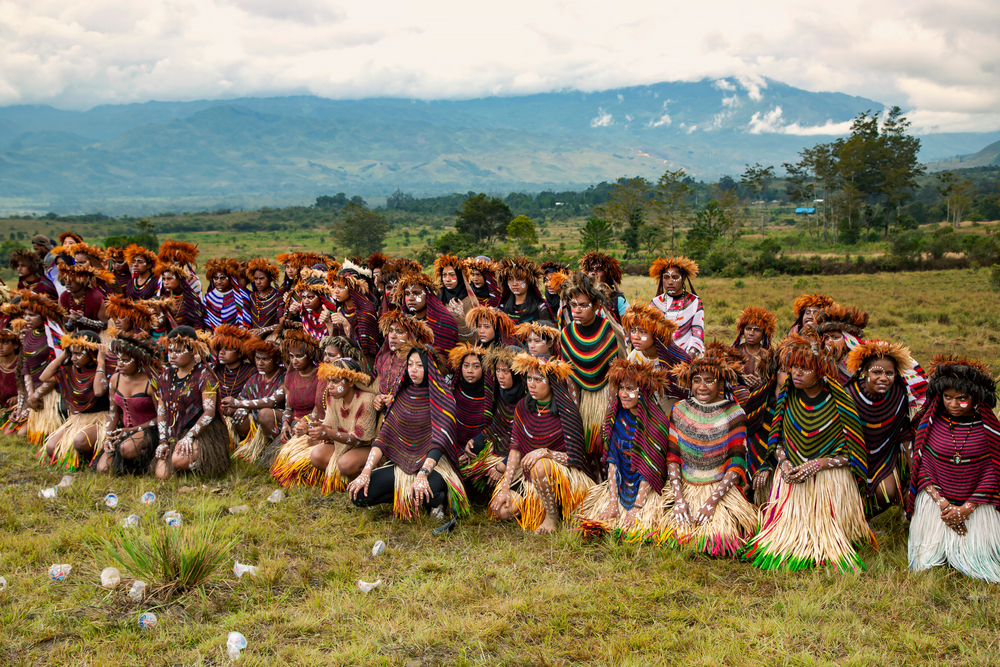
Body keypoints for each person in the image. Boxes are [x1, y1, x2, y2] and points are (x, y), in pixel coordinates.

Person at [743, 332, 874, 572]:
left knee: (825, 541)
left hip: (829, 482)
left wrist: (818, 464)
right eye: (793, 367)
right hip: (792, 477)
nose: (796, 373)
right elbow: (778, 440)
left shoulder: (839, 401)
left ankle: (827, 537)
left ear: (821, 371)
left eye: (805, 369)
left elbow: (852, 454)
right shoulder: (787, 395)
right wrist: (783, 463)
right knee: (779, 542)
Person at [348, 342, 470, 521]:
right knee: (358, 495)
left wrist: (423, 474)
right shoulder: (401, 394)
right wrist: (366, 472)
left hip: (432, 466)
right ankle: (407, 497)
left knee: (431, 488)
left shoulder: (443, 397)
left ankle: (435, 500)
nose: (413, 369)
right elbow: (383, 437)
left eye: (419, 365)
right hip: (402, 462)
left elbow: (440, 442)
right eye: (410, 364)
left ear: (430, 367)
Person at [907, 355, 1000, 582]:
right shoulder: (932, 424)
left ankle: (972, 552)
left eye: (962, 399)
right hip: (937, 500)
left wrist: (966, 509)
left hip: (978, 502)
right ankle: (937, 549)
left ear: (976, 398)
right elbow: (924, 467)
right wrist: (944, 505)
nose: (953, 404)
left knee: (979, 558)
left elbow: (993, 473)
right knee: (926, 559)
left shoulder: (988, 430)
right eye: (947, 398)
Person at [664, 346, 757, 556]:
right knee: (673, 535)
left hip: (718, 487)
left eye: (709, 380)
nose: (702, 386)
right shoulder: (679, 410)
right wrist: (679, 500)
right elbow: (673, 458)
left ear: (721, 383)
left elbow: (736, 464)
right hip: (686, 486)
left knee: (719, 541)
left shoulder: (735, 414)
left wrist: (712, 502)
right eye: (697, 380)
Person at [489, 353, 596, 532]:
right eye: (529, 378)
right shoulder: (523, 406)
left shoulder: (567, 411)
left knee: (541, 465)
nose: (531, 383)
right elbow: (515, 450)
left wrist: (547, 453)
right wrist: (505, 489)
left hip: (561, 476)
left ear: (552, 382)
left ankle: (552, 516)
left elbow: (575, 458)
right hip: (529, 477)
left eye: (538, 379)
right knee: (502, 511)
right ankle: (539, 505)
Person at [575, 359, 671, 541]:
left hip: (646, 490)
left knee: (637, 532)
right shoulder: (616, 416)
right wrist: (613, 501)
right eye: (621, 388)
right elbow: (613, 460)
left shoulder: (656, 424)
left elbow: (649, 470)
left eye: (630, 389)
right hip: (619, 486)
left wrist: (637, 508)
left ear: (643, 391)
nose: (623, 394)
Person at [844, 340, 915, 517]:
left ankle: (868, 517)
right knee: (847, 492)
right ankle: (852, 518)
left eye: (889, 373)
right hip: (850, 456)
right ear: (864, 372)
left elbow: (903, 431)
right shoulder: (849, 394)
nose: (883, 378)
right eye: (876, 372)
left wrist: (914, 469)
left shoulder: (898, 394)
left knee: (888, 493)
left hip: (883, 456)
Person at [558, 272, 624, 459]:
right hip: (582, 400)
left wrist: (608, 416)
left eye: (583, 305)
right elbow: (570, 376)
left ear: (596, 306)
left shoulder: (611, 332)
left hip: (606, 400)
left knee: (605, 448)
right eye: (573, 305)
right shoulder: (566, 335)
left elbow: (615, 377)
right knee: (585, 451)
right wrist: (576, 415)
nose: (577, 310)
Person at [287, 358, 378, 493]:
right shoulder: (333, 399)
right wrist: (308, 429)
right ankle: (343, 478)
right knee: (316, 455)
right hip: (343, 446)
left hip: (365, 448)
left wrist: (329, 434)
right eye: (329, 381)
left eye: (335, 381)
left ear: (351, 382)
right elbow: (328, 427)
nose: (329, 386)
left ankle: (370, 477)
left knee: (345, 464)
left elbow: (358, 439)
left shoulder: (367, 400)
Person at [153, 326, 230, 480]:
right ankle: (181, 461)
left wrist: (189, 436)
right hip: (174, 432)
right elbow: (161, 411)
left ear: (193, 351)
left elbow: (209, 413)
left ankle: (204, 462)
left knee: (178, 460)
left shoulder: (204, 375)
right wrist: (163, 441)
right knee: (161, 474)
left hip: (201, 432)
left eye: (178, 351)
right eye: (170, 351)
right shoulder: (166, 375)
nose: (172, 356)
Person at [461, 345, 526, 496]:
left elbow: (525, 442)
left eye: (506, 371)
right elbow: (496, 426)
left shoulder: (527, 400)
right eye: (498, 370)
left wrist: (502, 466)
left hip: (518, 454)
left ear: (516, 372)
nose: (500, 376)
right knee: (469, 459)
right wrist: (474, 440)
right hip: (500, 442)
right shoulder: (500, 392)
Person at [39, 331, 109, 469]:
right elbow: (44, 377)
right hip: (78, 419)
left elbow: (99, 391)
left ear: (91, 352)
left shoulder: (105, 369)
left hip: (100, 419)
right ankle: (81, 460)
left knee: (80, 441)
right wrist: (65, 354)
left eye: (78, 354)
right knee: (51, 447)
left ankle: (94, 455)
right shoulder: (71, 370)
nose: (73, 358)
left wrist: (100, 362)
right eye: (72, 354)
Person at [96, 332, 162, 475]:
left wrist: (133, 430)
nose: (120, 364)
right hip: (123, 430)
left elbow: (162, 417)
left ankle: (150, 457)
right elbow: (113, 414)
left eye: (125, 360)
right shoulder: (115, 379)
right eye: (118, 359)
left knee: (126, 449)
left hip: (151, 430)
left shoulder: (151, 382)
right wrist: (108, 438)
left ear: (139, 361)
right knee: (103, 468)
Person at [258, 329, 322, 467]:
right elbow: (288, 407)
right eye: (291, 356)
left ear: (310, 355)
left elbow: (320, 409)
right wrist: (286, 423)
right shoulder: (290, 378)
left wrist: (305, 423)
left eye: (299, 356)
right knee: (273, 462)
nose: (294, 360)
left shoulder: (320, 377)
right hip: (293, 424)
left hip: (311, 426)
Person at [622, 300, 689, 415]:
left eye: (642, 332)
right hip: (648, 417)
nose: (635, 336)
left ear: (656, 334)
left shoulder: (675, 359)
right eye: (633, 331)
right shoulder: (633, 358)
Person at [17, 290, 66, 444]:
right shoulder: (28, 334)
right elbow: (26, 366)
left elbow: (58, 372)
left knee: (46, 436)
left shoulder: (55, 337)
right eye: (25, 314)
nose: (26, 318)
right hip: (34, 393)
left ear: (43, 315)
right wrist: (30, 395)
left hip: (53, 393)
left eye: (31, 315)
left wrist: (37, 395)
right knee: (22, 435)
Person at [227, 337, 286, 462]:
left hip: (279, 423)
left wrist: (240, 403)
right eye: (257, 358)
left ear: (276, 360)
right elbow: (243, 398)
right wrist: (232, 408)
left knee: (264, 413)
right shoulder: (254, 379)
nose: (259, 363)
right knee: (238, 415)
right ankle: (250, 445)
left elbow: (271, 402)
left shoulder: (285, 377)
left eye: (265, 359)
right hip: (256, 426)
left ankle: (273, 448)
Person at [373, 310, 435, 419]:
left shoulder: (422, 361)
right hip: (386, 418)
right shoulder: (385, 357)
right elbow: (380, 388)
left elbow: (427, 395)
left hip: (412, 419)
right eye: (391, 331)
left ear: (411, 335)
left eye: (399, 331)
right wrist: (378, 399)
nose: (393, 336)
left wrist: (398, 401)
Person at [391, 271, 465, 356]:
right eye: (407, 294)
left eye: (416, 293)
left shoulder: (444, 321)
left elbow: (449, 359)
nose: (410, 298)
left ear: (428, 294)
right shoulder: (403, 322)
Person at [648, 255, 704, 355]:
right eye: (666, 278)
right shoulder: (655, 303)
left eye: (675, 277)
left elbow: (697, 334)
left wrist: (687, 358)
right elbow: (650, 333)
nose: (670, 282)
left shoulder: (694, 301)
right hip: (661, 356)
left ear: (683, 278)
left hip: (688, 355)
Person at [329, 262, 381, 368]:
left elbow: (365, 349)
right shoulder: (341, 309)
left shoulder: (366, 312)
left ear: (352, 287)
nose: (336, 291)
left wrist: (346, 325)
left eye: (340, 287)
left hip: (363, 364)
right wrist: (327, 322)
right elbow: (335, 338)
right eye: (335, 286)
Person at [449, 343, 493, 452]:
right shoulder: (455, 391)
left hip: (480, 448)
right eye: (466, 365)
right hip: (453, 445)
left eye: (476, 366)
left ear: (483, 368)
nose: (470, 370)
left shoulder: (490, 395)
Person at [813, 305, 870, 383]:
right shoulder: (819, 361)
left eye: (835, 337)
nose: (829, 342)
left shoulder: (863, 365)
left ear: (848, 340)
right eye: (826, 338)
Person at [57, 263, 110, 336]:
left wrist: (84, 320)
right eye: (66, 280)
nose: (67, 283)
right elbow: (67, 328)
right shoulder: (63, 297)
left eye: (72, 280)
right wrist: (71, 321)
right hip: (76, 339)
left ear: (82, 281)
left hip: (98, 337)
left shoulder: (96, 297)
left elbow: (105, 325)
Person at [730, 306, 777, 387]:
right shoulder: (734, 352)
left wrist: (761, 384)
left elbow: (775, 380)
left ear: (764, 334)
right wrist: (740, 379)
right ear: (742, 331)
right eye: (748, 329)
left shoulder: (769, 356)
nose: (751, 333)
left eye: (757, 330)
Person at [155, 260, 206, 330]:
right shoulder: (162, 300)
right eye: (163, 279)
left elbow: (197, 324)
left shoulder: (190, 300)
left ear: (179, 279)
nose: (165, 282)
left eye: (169, 279)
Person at [580, 252, 629, 321]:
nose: (593, 272)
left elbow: (627, 329)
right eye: (591, 270)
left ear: (608, 274)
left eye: (599, 269)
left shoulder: (618, 300)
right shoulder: (583, 297)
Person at [498, 256, 545, 325]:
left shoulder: (540, 308)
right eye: (510, 279)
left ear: (528, 281)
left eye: (519, 279)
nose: (514, 284)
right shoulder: (502, 308)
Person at [204, 258, 250, 329]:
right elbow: (206, 320)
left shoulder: (241, 297)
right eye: (215, 278)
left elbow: (244, 324)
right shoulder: (209, 297)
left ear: (230, 278)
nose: (218, 281)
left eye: (222, 278)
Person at [244, 258, 283, 339]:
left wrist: (263, 330)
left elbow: (282, 324)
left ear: (270, 279)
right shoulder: (252, 297)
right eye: (255, 279)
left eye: (261, 278)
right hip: (254, 338)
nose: (258, 282)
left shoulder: (278, 297)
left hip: (273, 339)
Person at [435, 254, 479, 319]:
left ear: (459, 277)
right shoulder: (438, 298)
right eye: (444, 275)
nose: (447, 279)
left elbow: (475, 327)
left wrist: (461, 315)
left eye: (452, 275)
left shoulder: (469, 301)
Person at [0, 326, 25, 434]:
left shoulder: (22, 363)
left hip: (17, 407)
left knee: (9, 431)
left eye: (4, 343)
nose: (0, 346)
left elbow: (28, 386)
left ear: (15, 345)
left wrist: (18, 397)